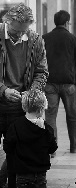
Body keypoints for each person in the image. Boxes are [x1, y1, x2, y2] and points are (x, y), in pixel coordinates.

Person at [0, 3, 49, 187]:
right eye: (15, 31)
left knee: (16, 155)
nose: (19, 35)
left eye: (23, 31)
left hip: (20, 109)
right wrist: (3, 90)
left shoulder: (35, 40)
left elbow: (42, 72)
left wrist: (32, 91)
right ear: (7, 21)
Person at [42, 10, 76, 157]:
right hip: (68, 84)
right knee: (72, 116)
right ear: (67, 23)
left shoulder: (44, 38)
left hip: (49, 84)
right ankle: (74, 145)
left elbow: (38, 61)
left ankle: (52, 149)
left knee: (50, 116)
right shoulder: (72, 38)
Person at [3, 89, 58, 188]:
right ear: (41, 109)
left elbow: (7, 147)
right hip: (40, 174)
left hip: (22, 173)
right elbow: (53, 148)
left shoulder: (15, 126)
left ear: (24, 106)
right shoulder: (46, 128)